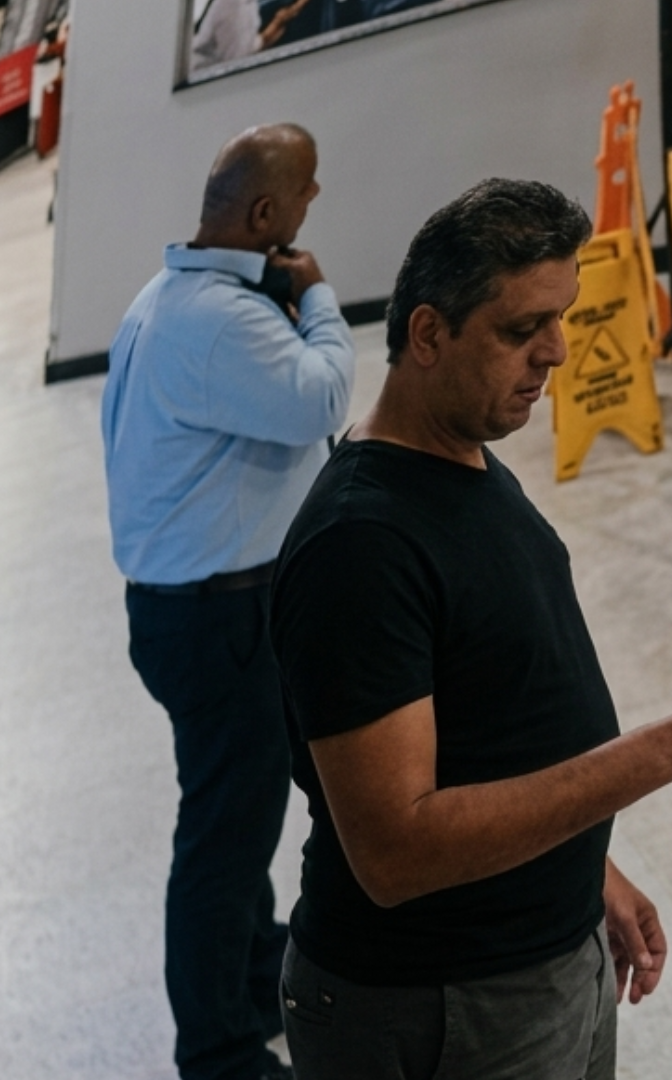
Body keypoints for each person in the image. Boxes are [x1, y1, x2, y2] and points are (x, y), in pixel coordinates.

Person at [267, 177, 672, 1080]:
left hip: (543, 952)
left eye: (561, 319)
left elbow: (499, 727)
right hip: (441, 1002)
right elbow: (394, 851)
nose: (556, 352)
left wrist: (591, 871)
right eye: (521, 330)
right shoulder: (361, 545)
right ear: (427, 333)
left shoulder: (461, 456)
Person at [101, 122, 349, 1080]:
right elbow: (321, 398)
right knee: (224, 841)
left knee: (239, 812)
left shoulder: (164, 301)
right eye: (308, 191)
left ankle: (252, 966)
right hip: (220, 620)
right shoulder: (217, 321)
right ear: (266, 213)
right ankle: (217, 1053)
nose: (314, 203)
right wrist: (317, 296)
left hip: (193, 610)